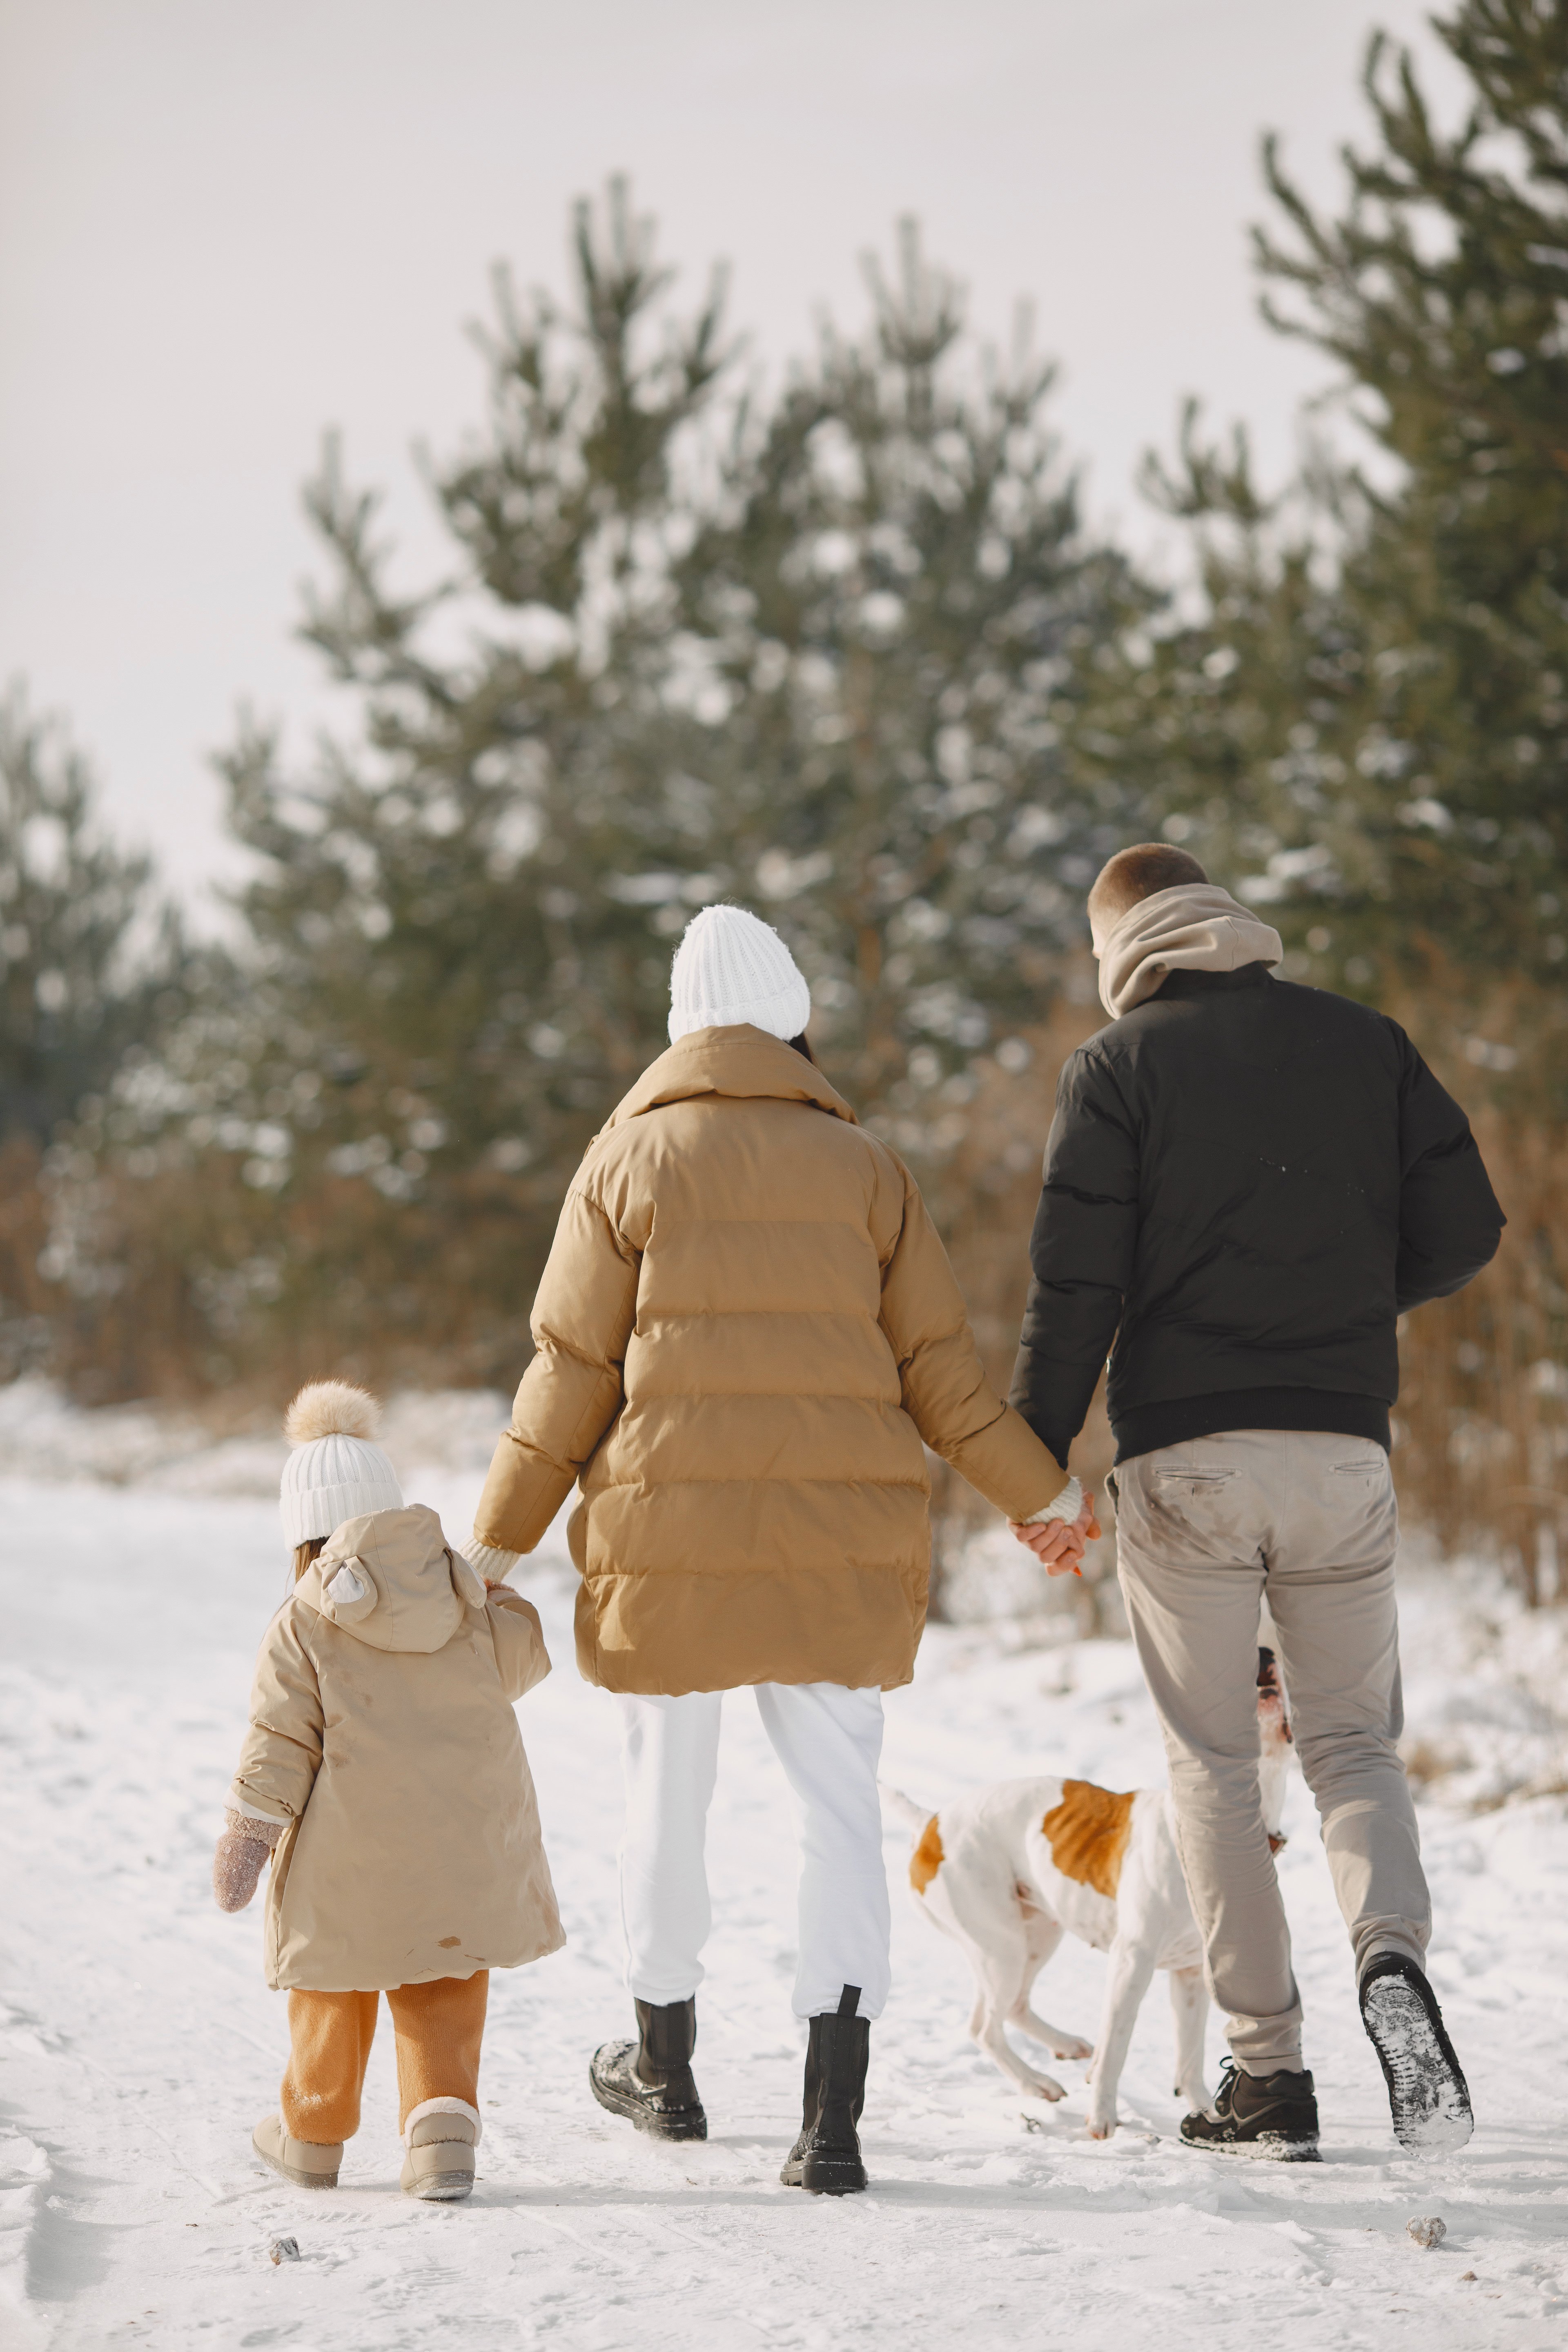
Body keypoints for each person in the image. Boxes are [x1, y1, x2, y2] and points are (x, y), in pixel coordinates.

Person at [464, 902, 1081, 2194]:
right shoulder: (867, 1171)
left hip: (665, 1544)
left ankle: (665, 2072)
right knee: (838, 1817)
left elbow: (569, 1374)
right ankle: (830, 2123)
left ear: (682, 1031)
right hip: (836, 1550)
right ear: (793, 1020)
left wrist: (496, 1543)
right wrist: (1043, 1497)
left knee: (663, 1802)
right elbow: (943, 1376)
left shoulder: (626, 1163)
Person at [1008, 845, 1504, 2158]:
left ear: (1124, 950)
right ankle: (1390, 1958)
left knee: (1217, 1766)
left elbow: (1076, 1286)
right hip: (1342, 1450)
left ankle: (1269, 2076)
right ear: (1228, 921)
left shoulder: (1116, 1070)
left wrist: (1036, 1459)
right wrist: (1336, 1304)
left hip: (1187, 1460)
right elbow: (1467, 1228)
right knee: (1351, 1746)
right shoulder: (1369, 1043)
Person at [214, 1381, 563, 2201]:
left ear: (301, 1532)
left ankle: (313, 2132)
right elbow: (526, 1656)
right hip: (463, 1852)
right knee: (443, 1972)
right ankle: (441, 2129)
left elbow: (279, 1741)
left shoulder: (300, 1621)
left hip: (349, 1859)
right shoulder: (462, 1597)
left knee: (332, 1980)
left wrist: (249, 1834)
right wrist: (493, 1590)